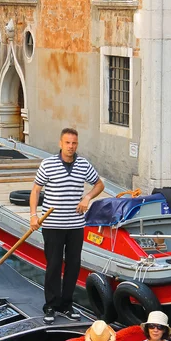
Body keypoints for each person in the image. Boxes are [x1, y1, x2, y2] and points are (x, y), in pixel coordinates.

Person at [30, 128, 105, 324]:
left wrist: (87, 197)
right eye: (67, 143)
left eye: (74, 143)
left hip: (75, 226)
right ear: (60, 144)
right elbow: (36, 190)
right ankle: (51, 306)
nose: (71, 147)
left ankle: (66, 304)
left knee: (73, 266)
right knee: (54, 265)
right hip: (53, 225)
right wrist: (33, 215)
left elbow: (99, 184)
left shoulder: (83, 165)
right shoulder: (48, 164)